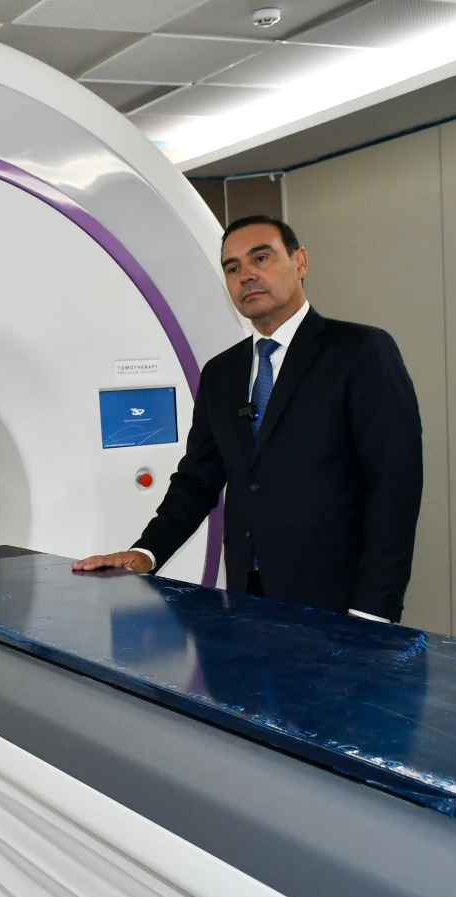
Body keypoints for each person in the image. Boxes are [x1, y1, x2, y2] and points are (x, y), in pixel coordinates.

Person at [73, 216, 422, 623]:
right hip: (247, 596)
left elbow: (394, 486)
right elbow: (197, 481)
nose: (246, 275)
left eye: (261, 258)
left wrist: (372, 612)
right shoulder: (221, 373)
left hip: (339, 601)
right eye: (232, 267)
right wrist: (145, 552)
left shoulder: (360, 351)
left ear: (300, 261)